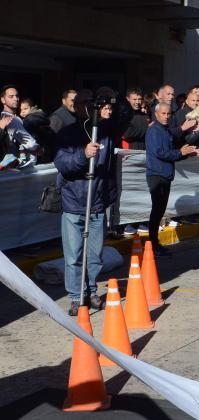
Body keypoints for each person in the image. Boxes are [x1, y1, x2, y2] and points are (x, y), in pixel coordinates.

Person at [53, 90, 117, 315]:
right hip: (74, 202)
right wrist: (83, 154)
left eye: (93, 104)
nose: (90, 107)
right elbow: (63, 164)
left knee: (95, 255)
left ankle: (90, 291)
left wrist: (109, 198)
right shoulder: (67, 134)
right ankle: (75, 296)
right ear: (78, 106)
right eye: (85, 103)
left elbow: (108, 170)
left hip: (97, 202)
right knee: (74, 255)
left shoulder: (105, 133)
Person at [145, 102, 199, 257]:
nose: (166, 116)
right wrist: (181, 152)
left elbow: (172, 153)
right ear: (156, 114)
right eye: (163, 114)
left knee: (160, 210)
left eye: (168, 114)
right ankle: (152, 245)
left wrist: (187, 153)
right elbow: (161, 153)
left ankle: (154, 244)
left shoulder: (165, 130)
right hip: (156, 174)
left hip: (165, 174)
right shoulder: (154, 130)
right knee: (157, 211)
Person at [1, 85, 38, 168]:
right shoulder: (10, 119)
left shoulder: (15, 117)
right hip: (17, 168)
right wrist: (40, 149)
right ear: (3, 100)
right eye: (11, 96)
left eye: (17, 96)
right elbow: (31, 144)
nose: (16, 99)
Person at [20, 98, 54, 163]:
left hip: (37, 152)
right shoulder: (39, 116)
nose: (22, 111)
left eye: (25, 109)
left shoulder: (30, 119)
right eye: (21, 109)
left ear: (32, 108)